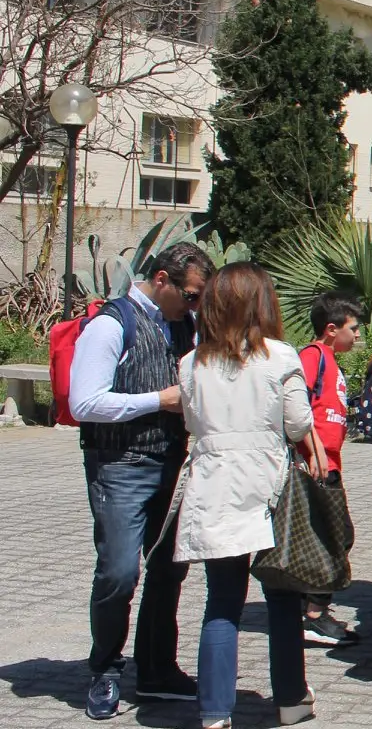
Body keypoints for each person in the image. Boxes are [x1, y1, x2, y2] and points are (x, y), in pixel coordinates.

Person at [71, 241, 212, 720]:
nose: (196, 306)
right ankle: (106, 667)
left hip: (172, 461)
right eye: (191, 295)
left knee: (169, 569)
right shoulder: (113, 323)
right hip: (120, 464)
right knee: (118, 571)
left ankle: (156, 669)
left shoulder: (183, 324)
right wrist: (158, 400)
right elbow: (84, 403)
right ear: (161, 281)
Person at [172, 262, 315, 729]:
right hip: (270, 481)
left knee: (222, 600)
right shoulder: (280, 356)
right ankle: (291, 699)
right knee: (281, 594)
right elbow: (297, 423)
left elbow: (193, 423)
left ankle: (214, 712)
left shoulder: (192, 363)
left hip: (214, 482)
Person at [296, 292, 362, 648]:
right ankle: (314, 613)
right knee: (338, 536)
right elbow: (297, 406)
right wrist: (315, 451)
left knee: (333, 535)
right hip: (316, 464)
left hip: (329, 462)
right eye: (353, 329)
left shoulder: (331, 358)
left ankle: (310, 607)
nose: (358, 336)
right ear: (331, 329)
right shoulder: (312, 356)